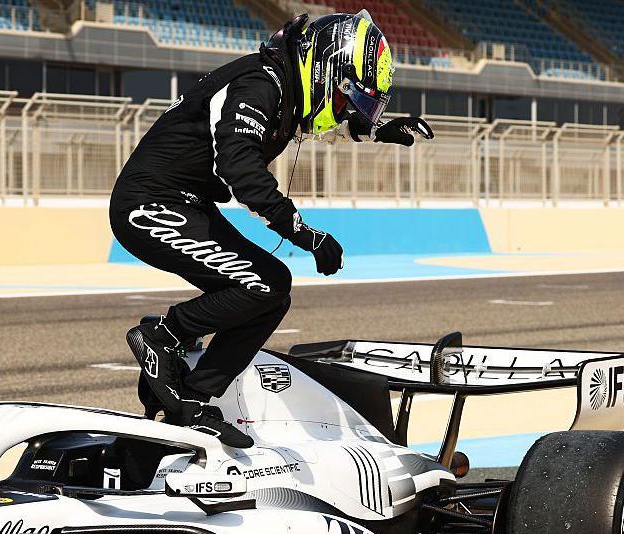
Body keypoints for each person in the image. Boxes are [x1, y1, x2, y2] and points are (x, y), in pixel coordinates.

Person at [109, 11, 434, 448]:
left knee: (274, 286)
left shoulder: (282, 86)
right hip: (149, 207)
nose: (344, 111)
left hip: (185, 203)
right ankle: (161, 338)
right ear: (325, 68)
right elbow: (238, 167)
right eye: (348, 99)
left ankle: (190, 397)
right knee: (260, 286)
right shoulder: (260, 84)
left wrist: (374, 129)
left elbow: (318, 125)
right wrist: (303, 233)